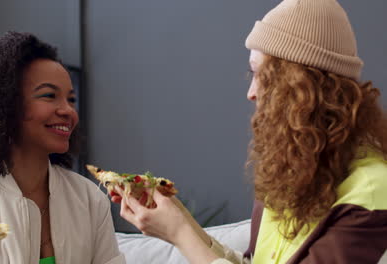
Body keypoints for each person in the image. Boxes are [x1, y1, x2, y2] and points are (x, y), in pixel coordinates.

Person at [115, 0, 387, 263]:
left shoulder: (373, 192)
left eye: (261, 76)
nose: (251, 93)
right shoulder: (294, 169)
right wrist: (182, 221)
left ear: (303, 90)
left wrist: (180, 233)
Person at [0, 32, 125, 264]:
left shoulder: (89, 199)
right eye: (49, 96)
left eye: (71, 99)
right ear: (4, 105)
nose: (68, 111)